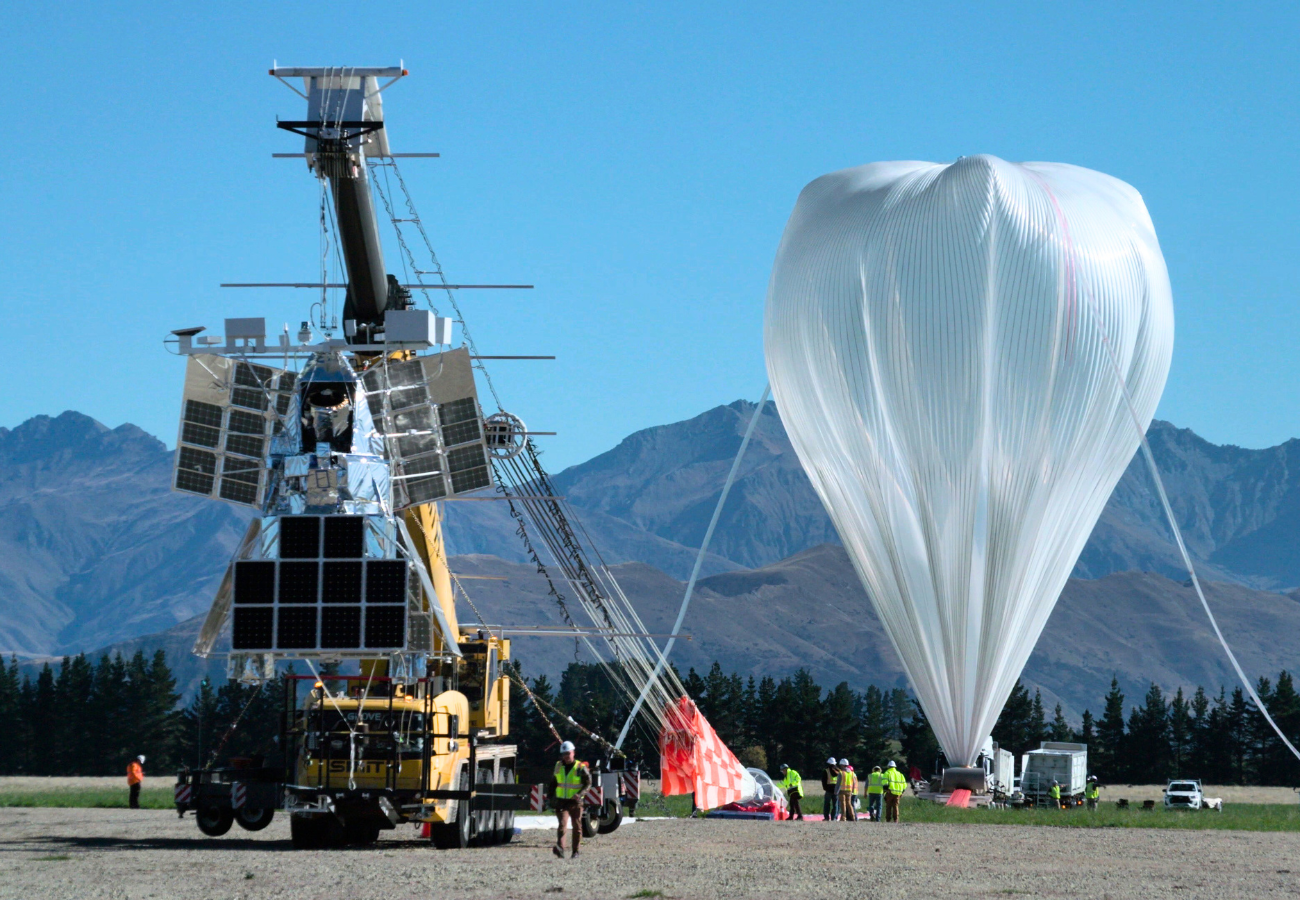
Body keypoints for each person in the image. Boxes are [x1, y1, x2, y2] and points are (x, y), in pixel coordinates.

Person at [549, 741, 591, 858]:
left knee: (577, 827)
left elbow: (588, 783)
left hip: (576, 802)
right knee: (562, 825)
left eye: (568, 753)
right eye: (564, 754)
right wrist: (549, 798)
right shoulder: (558, 766)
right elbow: (553, 783)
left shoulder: (580, 767)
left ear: (573, 753)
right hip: (561, 802)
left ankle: (575, 851)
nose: (566, 756)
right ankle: (560, 848)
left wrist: (580, 794)